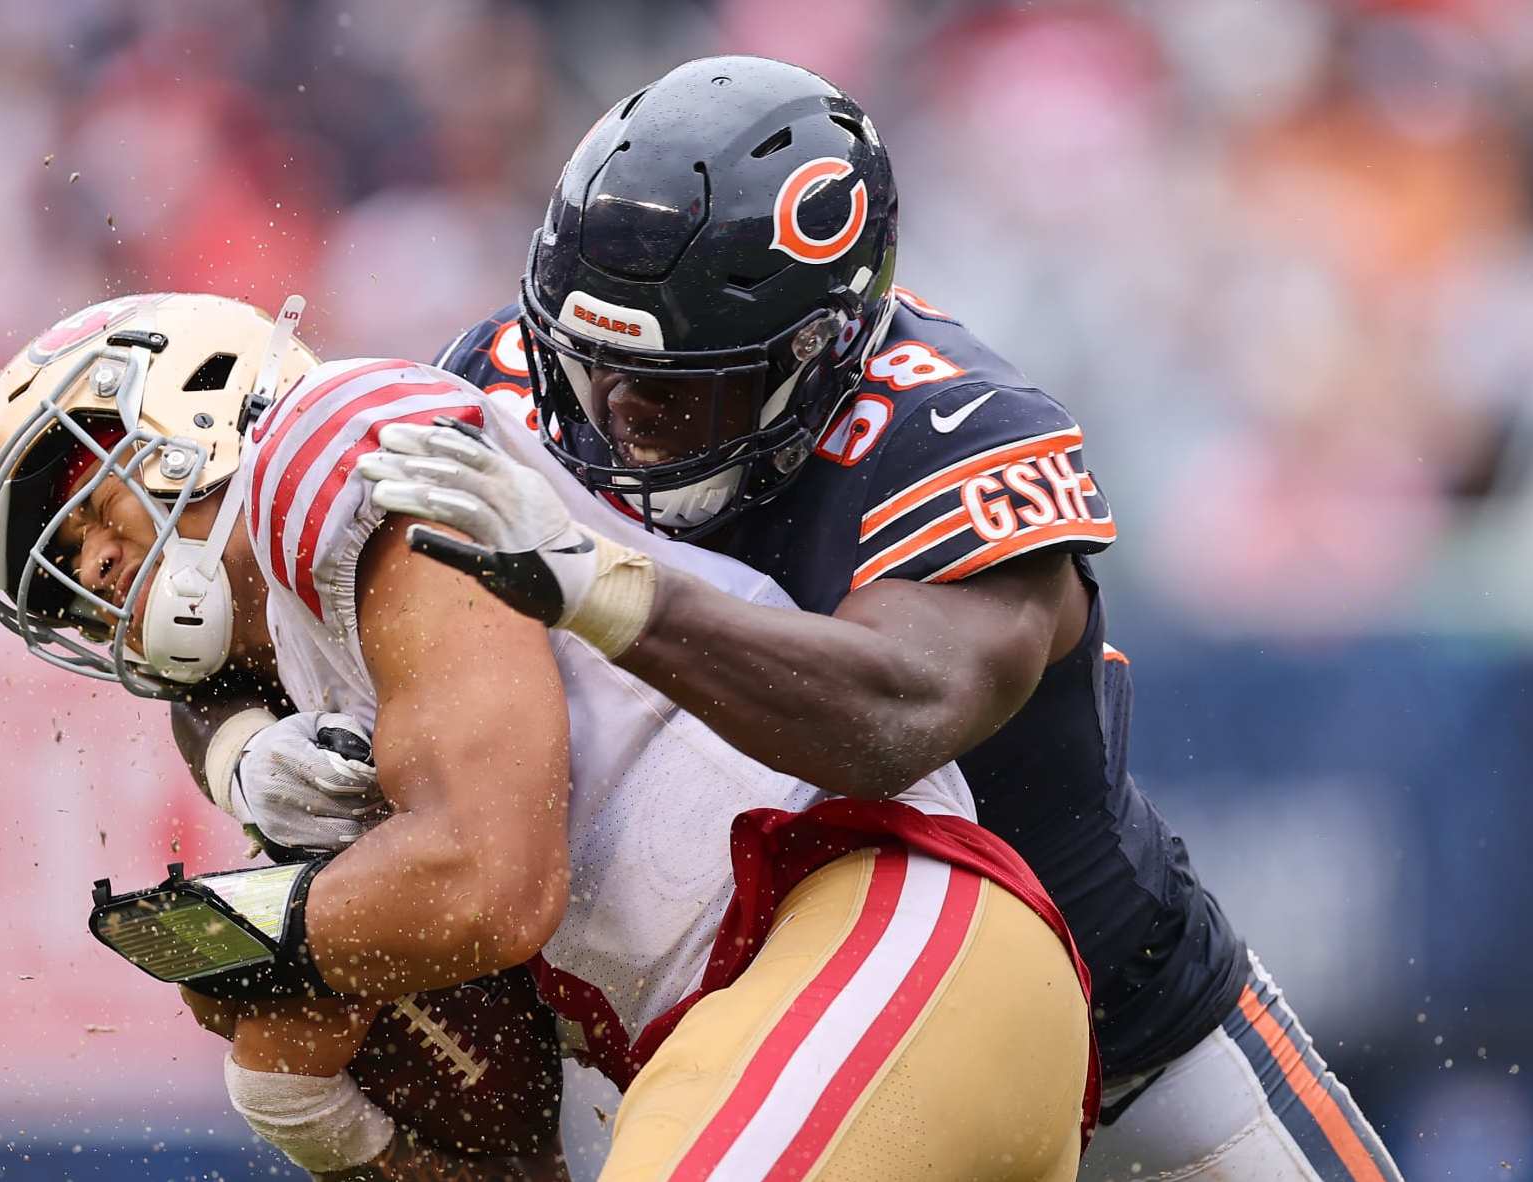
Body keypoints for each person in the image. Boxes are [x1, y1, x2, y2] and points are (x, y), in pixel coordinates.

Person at [357, 55, 1406, 1182]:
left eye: (683, 387)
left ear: (822, 350)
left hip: (1127, 1048)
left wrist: (608, 586)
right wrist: (309, 744)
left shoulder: (950, 429)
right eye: (591, 370)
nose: (624, 424)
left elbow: (893, 716)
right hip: (741, 1041)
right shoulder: (495, 386)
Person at [0, 292, 1095, 1181]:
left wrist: (235, 931)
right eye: (63, 586)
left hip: (880, 946)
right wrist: (313, 1110)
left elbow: (486, 884)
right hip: (781, 1032)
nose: (94, 573)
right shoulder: (312, 682)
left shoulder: (321, 450)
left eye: (84, 502)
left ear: (194, 410)